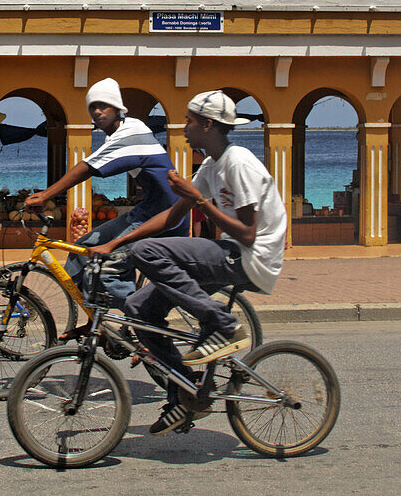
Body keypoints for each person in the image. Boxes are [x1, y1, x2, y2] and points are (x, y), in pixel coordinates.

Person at [89, 90, 287, 435]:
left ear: (207, 125)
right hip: (232, 252)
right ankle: (185, 393)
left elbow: (249, 233)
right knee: (138, 308)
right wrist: (114, 243)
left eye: (189, 121)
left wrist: (200, 201)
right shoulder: (211, 164)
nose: (182, 128)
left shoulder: (237, 162)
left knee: (148, 252)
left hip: (250, 256)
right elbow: (171, 216)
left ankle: (222, 325)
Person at [25, 78, 188, 312]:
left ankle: (138, 323)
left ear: (118, 108)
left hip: (166, 217)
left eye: (104, 105)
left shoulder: (132, 131)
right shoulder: (116, 135)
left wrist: (45, 195)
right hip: (147, 211)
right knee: (83, 249)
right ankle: (96, 321)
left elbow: (88, 167)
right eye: (93, 107)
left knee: (109, 262)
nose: (98, 111)